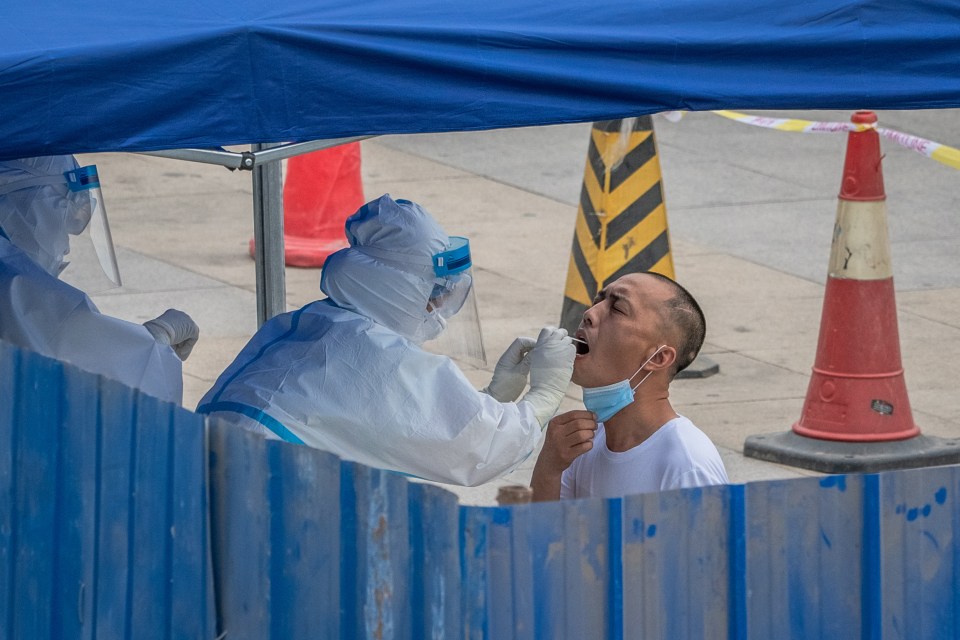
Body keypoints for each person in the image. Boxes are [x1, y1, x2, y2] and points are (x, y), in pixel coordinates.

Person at [198, 194, 575, 486]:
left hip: (221, 477)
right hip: (263, 494)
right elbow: (477, 448)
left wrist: (495, 397)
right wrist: (544, 394)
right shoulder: (375, 355)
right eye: (435, 290)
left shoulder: (312, 323)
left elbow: (421, 432)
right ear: (393, 287)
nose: (440, 304)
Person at [0, 155, 199, 405]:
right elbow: (76, 356)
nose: (66, 246)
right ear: (24, 202)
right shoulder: (13, 284)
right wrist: (152, 343)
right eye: (63, 216)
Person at [531, 272, 728, 501]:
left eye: (618, 309)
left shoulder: (687, 466)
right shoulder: (581, 443)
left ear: (658, 358)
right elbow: (541, 533)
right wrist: (549, 466)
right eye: (598, 301)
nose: (590, 314)